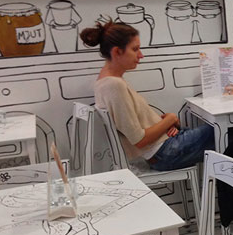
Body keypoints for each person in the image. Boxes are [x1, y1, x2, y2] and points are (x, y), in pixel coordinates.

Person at [81, 21, 214, 171]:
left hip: (164, 146)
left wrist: (165, 124)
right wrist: (170, 119)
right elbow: (139, 140)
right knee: (227, 131)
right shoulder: (113, 85)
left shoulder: (106, 81)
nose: (141, 55)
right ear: (117, 52)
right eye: (135, 49)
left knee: (225, 132)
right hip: (165, 152)